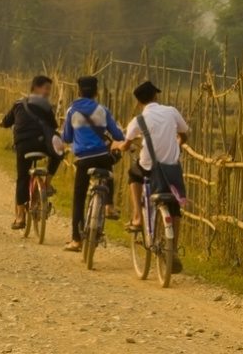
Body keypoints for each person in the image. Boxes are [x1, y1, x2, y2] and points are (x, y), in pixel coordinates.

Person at [113, 81, 190, 272]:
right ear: (156, 96)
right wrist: (178, 143)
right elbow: (185, 133)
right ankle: (173, 250)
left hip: (149, 166)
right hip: (171, 168)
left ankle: (138, 217)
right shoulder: (171, 111)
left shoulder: (139, 120)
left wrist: (116, 146)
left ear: (139, 102)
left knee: (133, 174)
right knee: (174, 208)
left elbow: (125, 145)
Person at [58, 76, 124, 252]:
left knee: (79, 197)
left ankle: (76, 240)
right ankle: (109, 205)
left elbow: (66, 138)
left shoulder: (72, 111)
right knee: (108, 170)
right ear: (96, 93)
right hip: (102, 155)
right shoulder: (103, 110)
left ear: (78, 92)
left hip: (83, 160)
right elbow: (117, 135)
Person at [0, 75, 62, 230]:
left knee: (22, 178)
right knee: (59, 153)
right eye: (46, 89)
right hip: (41, 143)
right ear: (36, 88)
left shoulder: (18, 103)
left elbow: (7, 122)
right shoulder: (45, 106)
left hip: (23, 145)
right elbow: (53, 126)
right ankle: (46, 184)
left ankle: (20, 218)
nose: (48, 92)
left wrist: (1, 123)